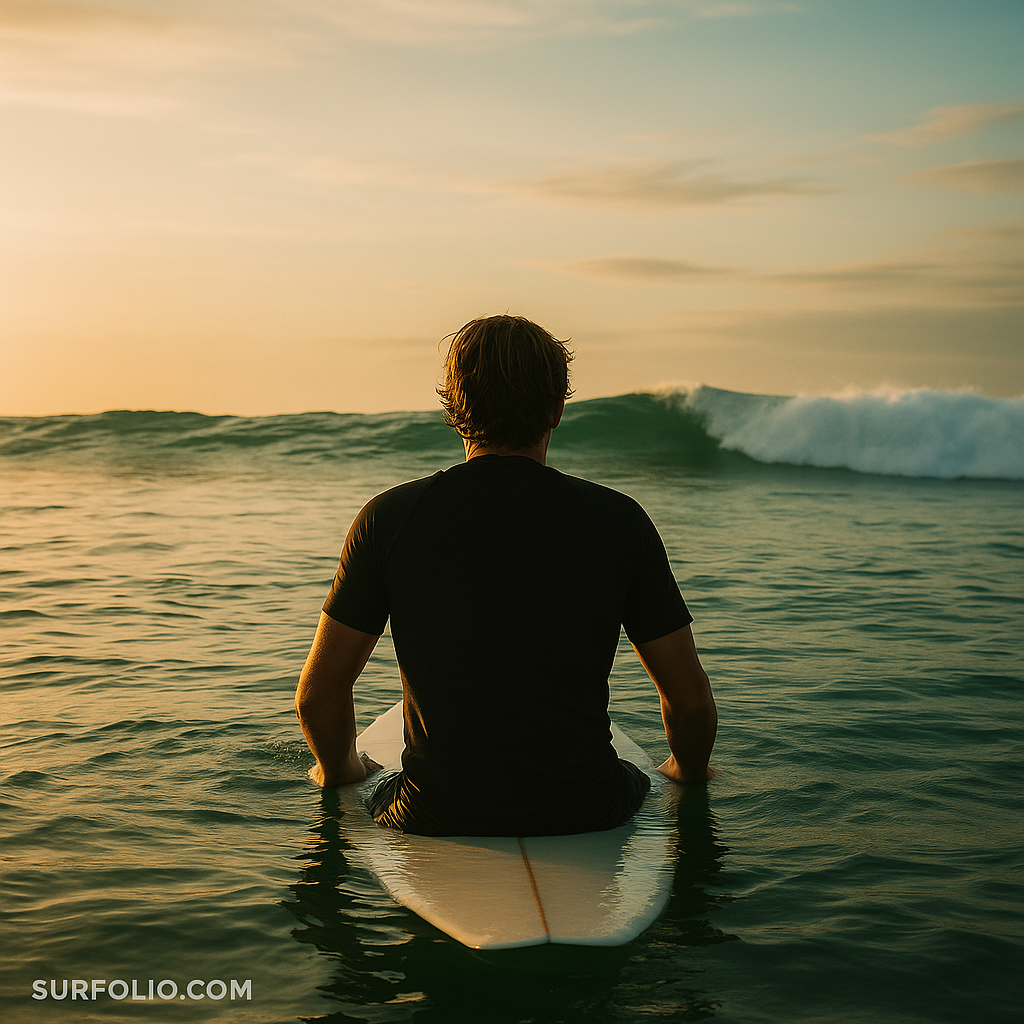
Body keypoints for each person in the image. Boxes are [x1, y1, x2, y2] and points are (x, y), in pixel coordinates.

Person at [295, 314, 716, 836]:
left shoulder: (388, 519)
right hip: (588, 808)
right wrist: (686, 772)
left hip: (434, 814)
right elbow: (690, 700)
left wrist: (340, 772)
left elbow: (318, 697)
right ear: (558, 407)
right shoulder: (618, 520)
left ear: (454, 407)